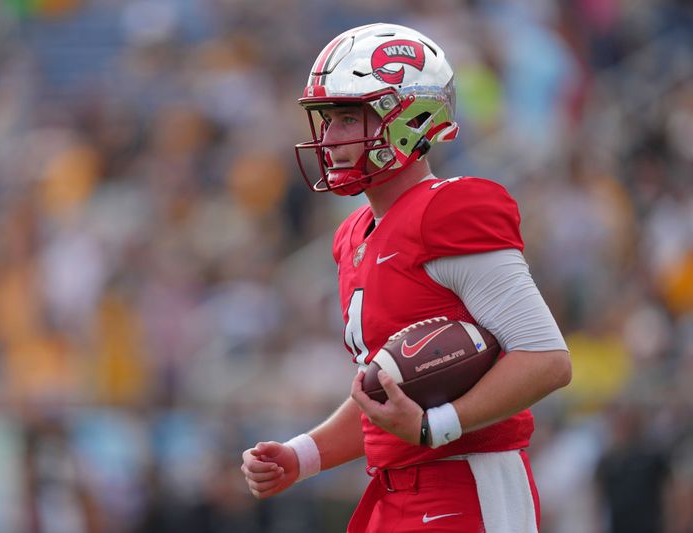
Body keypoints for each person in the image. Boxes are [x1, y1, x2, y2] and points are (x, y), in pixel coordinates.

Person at [241, 22, 572, 533]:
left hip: (467, 485)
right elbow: (388, 396)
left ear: (410, 114)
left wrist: (434, 425)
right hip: (395, 489)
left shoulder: (452, 210)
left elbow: (546, 359)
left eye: (348, 118)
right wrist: (301, 456)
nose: (329, 139)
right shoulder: (353, 235)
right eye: (326, 121)